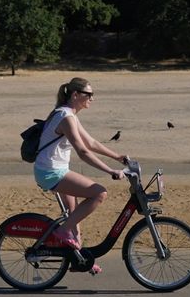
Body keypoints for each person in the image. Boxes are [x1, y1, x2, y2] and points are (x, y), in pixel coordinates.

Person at [33, 77, 128, 266]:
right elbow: (83, 152)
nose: (92, 98)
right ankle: (61, 232)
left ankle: (80, 261)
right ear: (76, 95)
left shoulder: (68, 115)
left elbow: (91, 143)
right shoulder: (65, 117)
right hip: (51, 173)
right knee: (99, 193)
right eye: (89, 94)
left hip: (53, 170)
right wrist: (110, 170)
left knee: (73, 213)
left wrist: (117, 156)